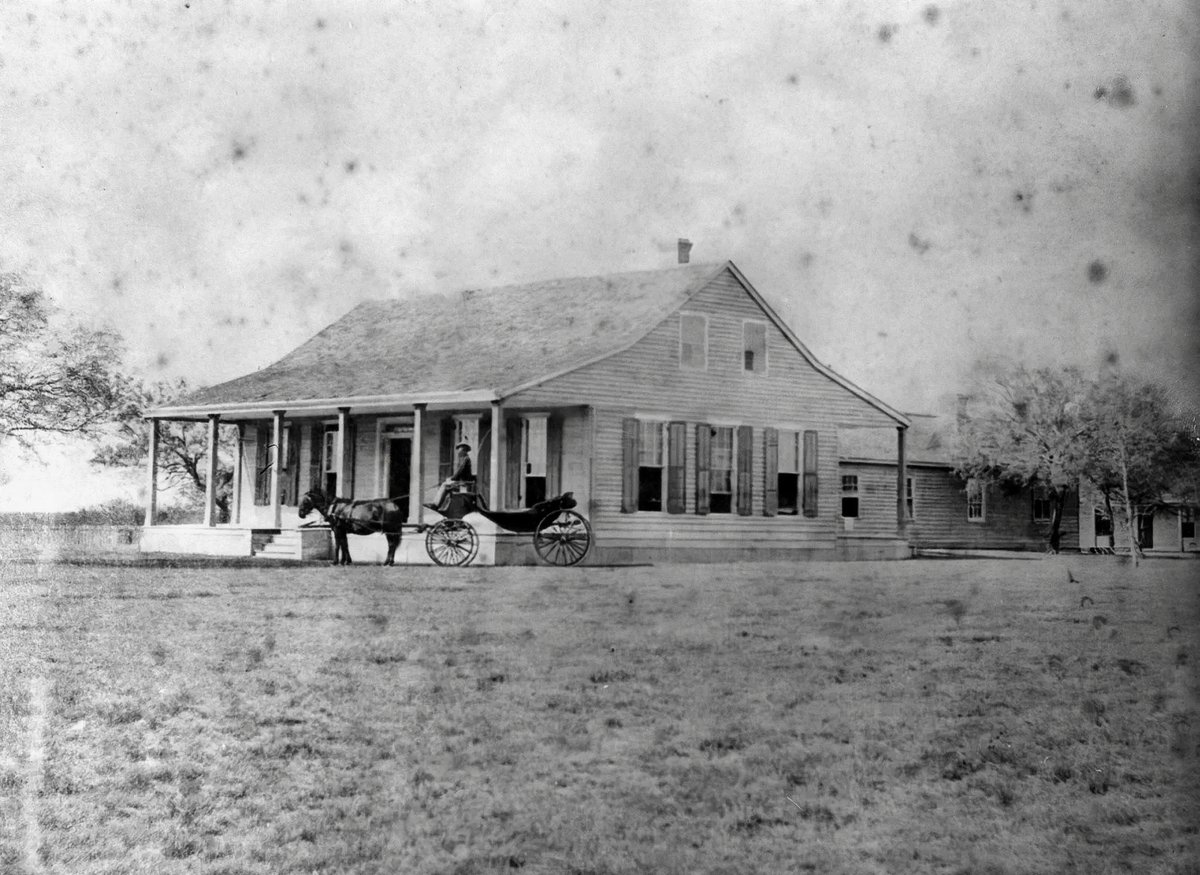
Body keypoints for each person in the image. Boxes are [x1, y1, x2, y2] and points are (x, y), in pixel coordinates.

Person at [427, 442, 473, 510]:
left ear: (463, 450)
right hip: (462, 482)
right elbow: (458, 473)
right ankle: (438, 504)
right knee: (445, 484)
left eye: (459, 449)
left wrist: (451, 478)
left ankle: (437, 504)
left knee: (445, 485)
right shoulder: (464, 459)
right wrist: (451, 478)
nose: (458, 452)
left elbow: (459, 473)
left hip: (464, 483)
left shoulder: (466, 459)